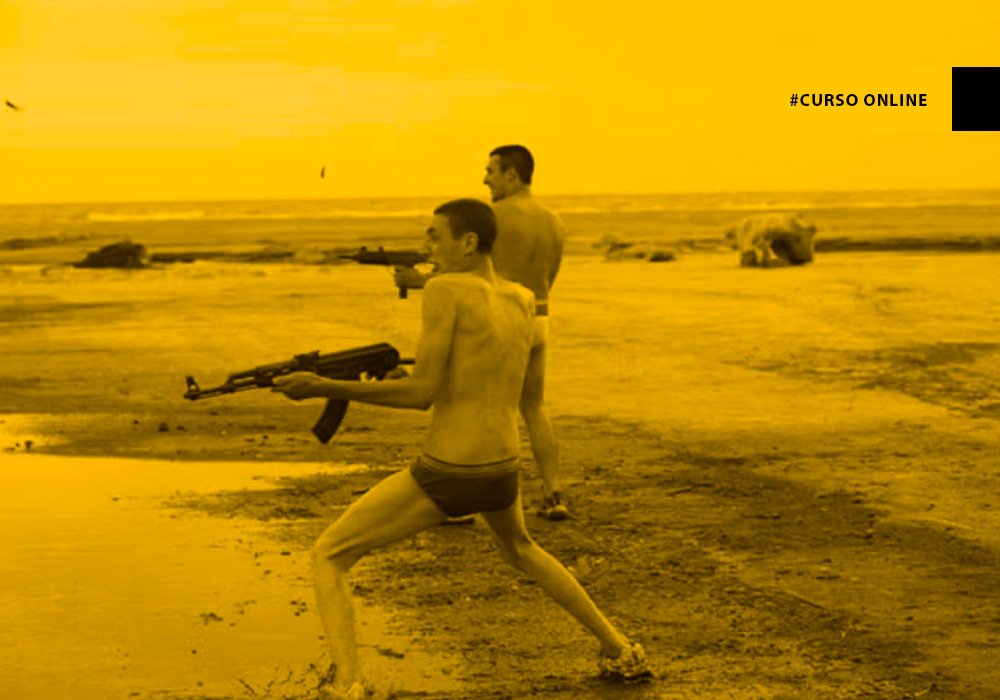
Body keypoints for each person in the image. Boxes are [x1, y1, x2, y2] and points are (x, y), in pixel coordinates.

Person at [273, 199, 650, 699]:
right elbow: (483, 374)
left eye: (434, 236)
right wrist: (397, 374)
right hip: (503, 466)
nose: (426, 246)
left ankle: (349, 685)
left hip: (451, 469)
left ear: (468, 242)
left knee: (329, 554)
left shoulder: (444, 289)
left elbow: (422, 395)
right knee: (521, 549)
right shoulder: (521, 298)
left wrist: (323, 386)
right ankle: (620, 648)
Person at [395, 145, 570, 520]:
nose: (485, 179)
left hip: (498, 320)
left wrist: (420, 281)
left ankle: (458, 499)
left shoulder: (494, 217)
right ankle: (554, 493)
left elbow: (475, 277)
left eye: (491, 171)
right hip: (537, 314)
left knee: (473, 403)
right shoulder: (554, 221)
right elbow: (550, 275)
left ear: (512, 174)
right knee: (534, 408)